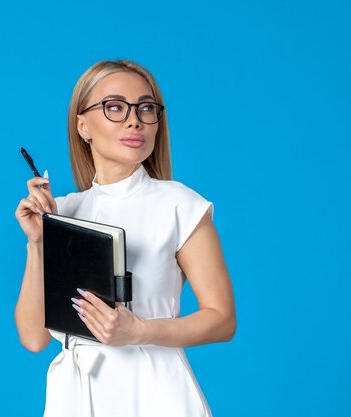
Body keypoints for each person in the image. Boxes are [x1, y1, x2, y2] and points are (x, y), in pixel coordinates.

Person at [14, 60, 236, 417]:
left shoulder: (179, 205)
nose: (134, 120)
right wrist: (38, 242)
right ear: (82, 125)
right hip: (74, 398)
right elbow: (34, 338)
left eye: (146, 108)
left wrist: (138, 331)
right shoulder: (62, 212)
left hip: (153, 393)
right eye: (114, 107)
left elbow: (222, 320)